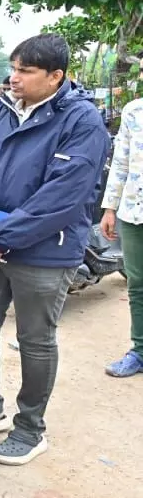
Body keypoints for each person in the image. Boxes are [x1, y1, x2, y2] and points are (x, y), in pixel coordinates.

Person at [0, 34, 110, 465]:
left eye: (25, 71)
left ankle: (30, 428)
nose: (14, 78)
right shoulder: (0, 112)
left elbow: (63, 197)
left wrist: (1, 236)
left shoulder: (81, 122)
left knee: (35, 339)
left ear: (56, 76)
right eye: (13, 67)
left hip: (43, 250)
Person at [101, 95, 143, 376]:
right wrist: (109, 207)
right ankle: (139, 351)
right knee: (137, 284)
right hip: (133, 211)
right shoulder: (134, 110)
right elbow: (121, 162)